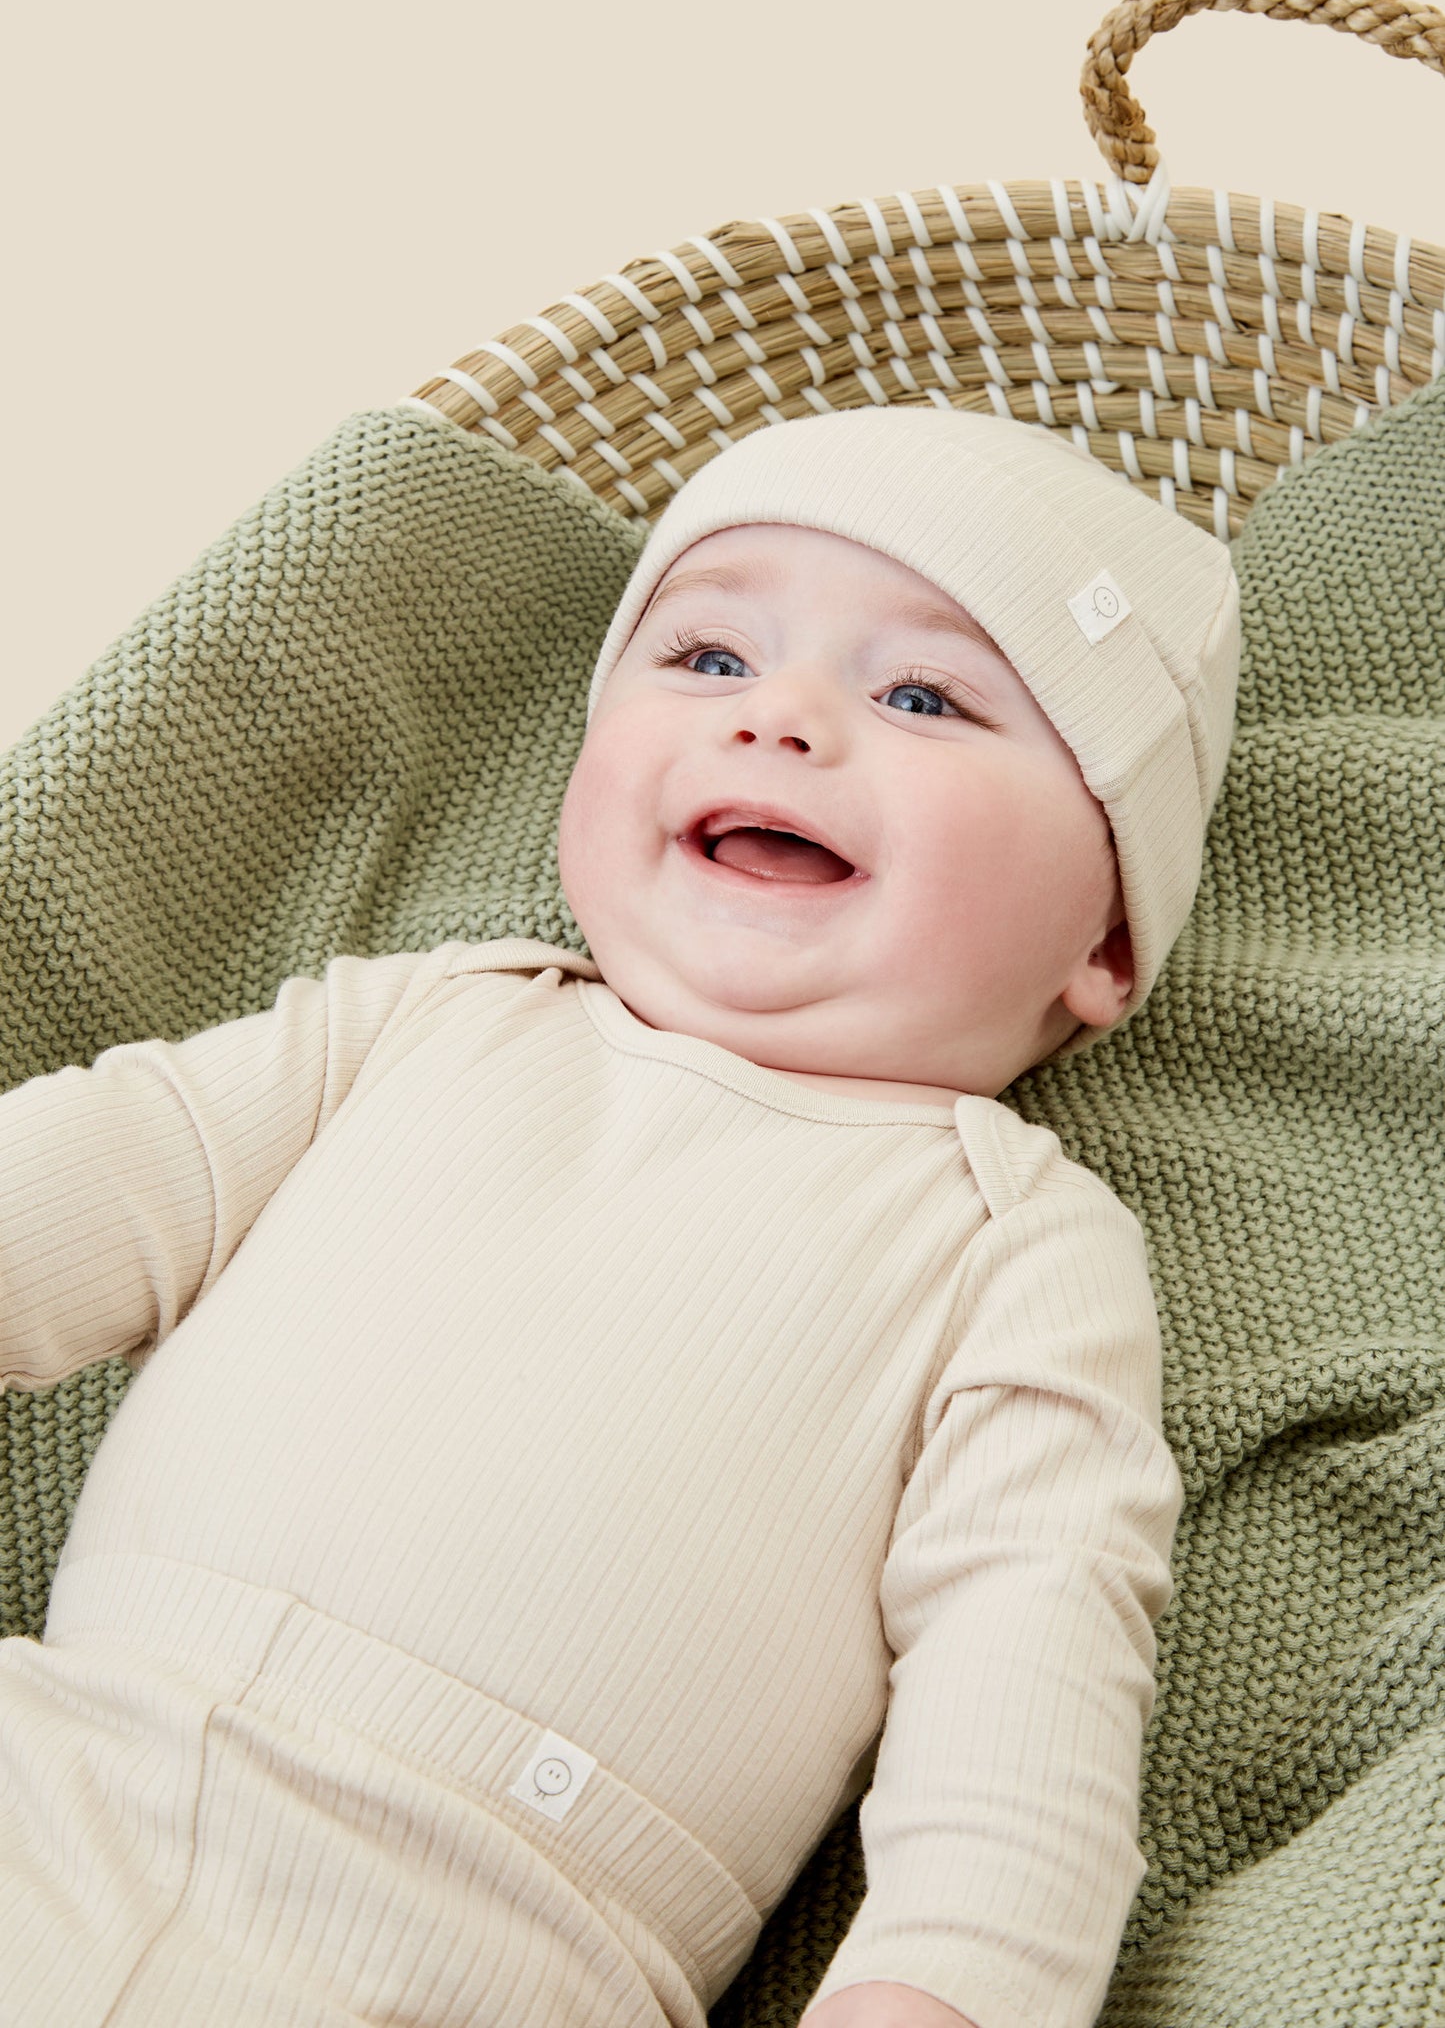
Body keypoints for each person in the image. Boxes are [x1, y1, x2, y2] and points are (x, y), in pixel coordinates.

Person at [0, 402, 1240, 2028]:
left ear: (1106, 933)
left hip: (495, 1940)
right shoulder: (415, 1026)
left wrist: (947, 1986)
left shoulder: (1008, 1250)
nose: (781, 721)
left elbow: (1033, 1673)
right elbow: (85, 1178)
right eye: (711, 660)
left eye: (924, 694)